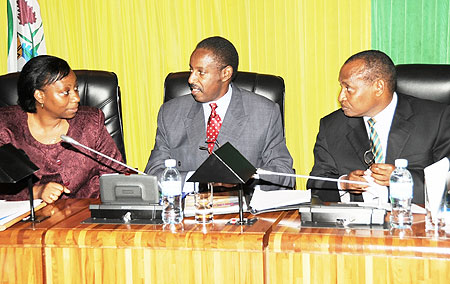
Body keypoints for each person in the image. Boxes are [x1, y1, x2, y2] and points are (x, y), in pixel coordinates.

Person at [145, 36, 295, 191]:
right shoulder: (170, 113)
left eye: (201, 72)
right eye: (191, 70)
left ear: (225, 74)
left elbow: (284, 174)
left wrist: (247, 178)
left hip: (242, 210)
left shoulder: (264, 112)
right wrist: (198, 182)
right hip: (190, 210)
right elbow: (153, 174)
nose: (191, 79)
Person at [307, 50, 450, 204]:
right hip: (354, 224)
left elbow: (447, 180)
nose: (340, 97)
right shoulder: (331, 126)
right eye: (341, 87)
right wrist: (343, 184)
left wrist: (403, 180)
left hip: (414, 221)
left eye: (348, 88)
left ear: (379, 87)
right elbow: (315, 184)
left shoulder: (436, 118)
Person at [0, 55, 126, 203]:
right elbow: (3, 186)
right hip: (33, 221)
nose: (76, 98)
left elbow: (117, 175)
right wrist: (37, 192)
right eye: (66, 92)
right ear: (39, 96)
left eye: (76, 89)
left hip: (87, 214)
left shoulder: (90, 123)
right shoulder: (6, 127)